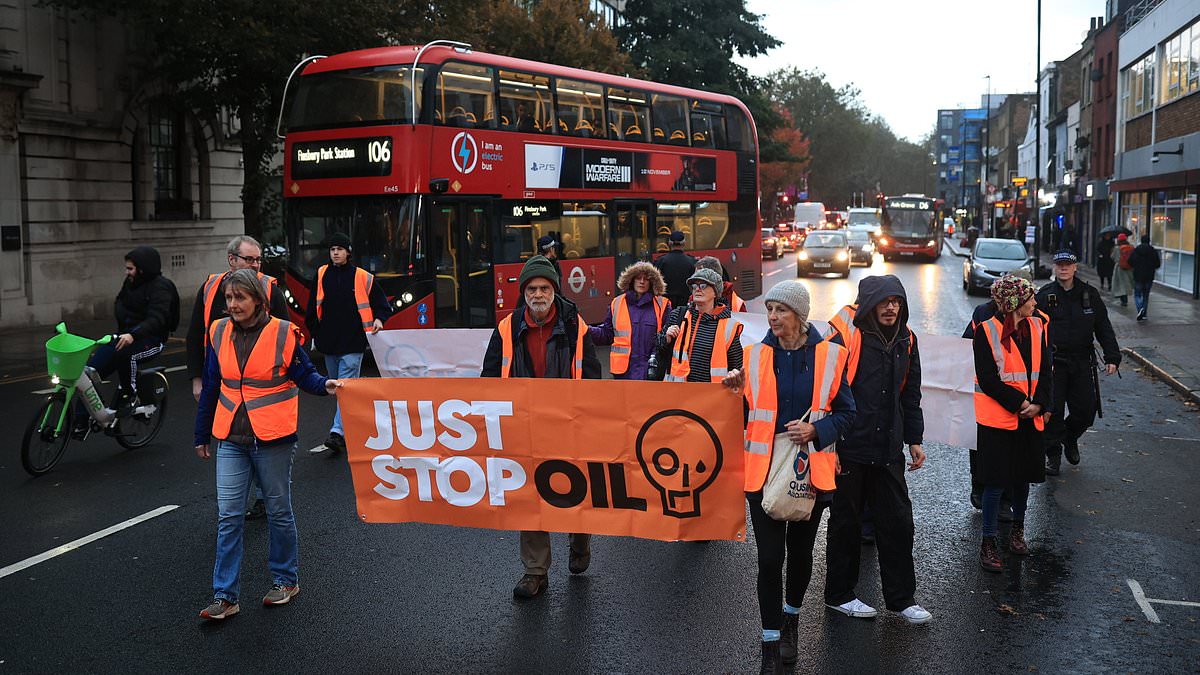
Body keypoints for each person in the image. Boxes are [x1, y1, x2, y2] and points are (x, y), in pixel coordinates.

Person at [721, 280, 855, 673]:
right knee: (768, 559)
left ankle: (791, 619)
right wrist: (732, 387)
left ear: (799, 314)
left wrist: (818, 431)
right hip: (762, 470)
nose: (773, 317)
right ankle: (769, 642)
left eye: (781, 310)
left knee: (799, 554)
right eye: (770, 310)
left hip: (809, 470)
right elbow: (741, 404)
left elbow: (849, 413)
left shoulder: (831, 355)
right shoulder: (755, 354)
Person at [194, 269, 341, 620]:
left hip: (272, 438)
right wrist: (201, 434)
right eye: (228, 298)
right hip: (230, 437)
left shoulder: (282, 333)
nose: (232, 305)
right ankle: (225, 597)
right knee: (229, 516)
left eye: (240, 298)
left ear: (258, 301)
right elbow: (212, 386)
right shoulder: (218, 332)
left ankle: (285, 580)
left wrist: (326, 386)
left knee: (278, 511)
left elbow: (303, 374)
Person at [480, 255, 601, 599]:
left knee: (575, 491)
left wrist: (588, 417)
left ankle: (579, 544)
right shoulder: (507, 327)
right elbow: (489, 377)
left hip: (569, 423)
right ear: (524, 292)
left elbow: (591, 374)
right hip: (524, 426)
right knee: (530, 497)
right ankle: (535, 571)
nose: (537, 294)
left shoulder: (575, 325)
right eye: (531, 288)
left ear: (554, 290)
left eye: (544, 288)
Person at [821, 275, 930, 625]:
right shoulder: (845, 333)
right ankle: (840, 595)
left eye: (896, 301)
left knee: (898, 524)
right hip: (849, 447)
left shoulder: (907, 339)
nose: (891, 308)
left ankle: (901, 600)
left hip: (887, 450)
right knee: (845, 525)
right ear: (869, 303)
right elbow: (825, 390)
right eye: (884, 302)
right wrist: (829, 446)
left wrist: (914, 439)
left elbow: (910, 394)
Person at [186, 235, 290, 520]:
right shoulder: (209, 289)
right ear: (232, 260)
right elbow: (195, 334)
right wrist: (197, 378)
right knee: (232, 436)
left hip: (262, 386)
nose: (256, 265)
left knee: (259, 438)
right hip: (222, 378)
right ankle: (235, 503)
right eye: (250, 259)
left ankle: (263, 497)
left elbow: (289, 339)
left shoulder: (270, 289)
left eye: (258, 259)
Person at [973, 274, 1051, 572]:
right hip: (998, 419)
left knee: (1022, 478)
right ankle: (989, 541)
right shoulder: (986, 331)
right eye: (1030, 297)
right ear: (1015, 302)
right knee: (995, 482)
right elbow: (988, 379)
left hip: (1030, 418)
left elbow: (1046, 370)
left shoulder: (1038, 325)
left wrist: (1041, 404)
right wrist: (1021, 404)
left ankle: (1018, 530)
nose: (1035, 302)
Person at [305, 232, 392, 454]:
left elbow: (382, 304)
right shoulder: (322, 273)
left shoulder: (362, 276)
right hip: (329, 343)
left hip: (353, 342)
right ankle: (349, 427)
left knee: (344, 388)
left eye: (340, 249)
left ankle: (337, 432)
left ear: (348, 252)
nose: (335, 253)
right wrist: (316, 333)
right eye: (333, 249)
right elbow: (311, 308)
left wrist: (380, 320)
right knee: (337, 388)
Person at [1035, 250, 1120, 475]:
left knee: (1086, 410)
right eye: (1059, 264)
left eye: (1068, 265)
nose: (1063, 268)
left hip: (1082, 361)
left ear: (1075, 268)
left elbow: (1103, 326)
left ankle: (1069, 437)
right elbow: (1033, 330)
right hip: (1053, 362)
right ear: (1054, 267)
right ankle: (1052, 455)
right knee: (1051, 411)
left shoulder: (1089, 294)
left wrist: (1112, 356)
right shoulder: (1045, 296)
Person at [80, 246, 177, 425]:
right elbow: (121, 303)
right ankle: (81, 419)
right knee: (88, 373)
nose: (127, 272)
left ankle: (129, 397)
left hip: (152, 340)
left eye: (130, 268)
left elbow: (157, 317)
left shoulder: (161, 287)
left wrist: (134, 334)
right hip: (125, 336)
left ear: (143, 269)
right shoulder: (130, 283)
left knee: (126, 355)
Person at [659, 268, 744, 384]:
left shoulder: (728, 326)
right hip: (677, 394)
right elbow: (659, 350)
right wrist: (666, 339)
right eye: (694, 286)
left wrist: (733, 375)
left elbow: (736, 367)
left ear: (715, 292)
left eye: (703, 285)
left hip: (710, 396)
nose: (697, 289)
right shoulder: (678, 315)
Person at [588, 261, 670, 380]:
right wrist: (585, 329)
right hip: (624, 374)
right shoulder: (617, 303)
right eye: (638, 278)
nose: (642, 281)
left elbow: (666, 339)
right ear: (631, 280)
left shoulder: (663, 305)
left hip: (652, 372)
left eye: (646, 279)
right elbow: (606, 334)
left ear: (652, 282)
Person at [654, 230, 697, 310]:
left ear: (670, 243)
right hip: (686, 305)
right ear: (684, 243)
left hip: (665, 305)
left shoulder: (661, 261)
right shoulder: (692, 261)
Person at [1129, 234, 1161, 321]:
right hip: (1149, 276)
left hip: (1138, 276)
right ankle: (1144, 313)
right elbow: (1157, 264)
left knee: (1137, 294)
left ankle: (1140, 308)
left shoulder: (1136, 250)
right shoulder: (1153, 251)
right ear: (1149, 241)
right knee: (1146, 295)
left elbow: (1130, 262)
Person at [1111, 233, 1135, 307]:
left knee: (1120, 284)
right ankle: (1124, 299)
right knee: (1126, 284)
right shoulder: (1131, 247)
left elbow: (1113, 257)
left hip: (1119, 268)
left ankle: (1123, 300)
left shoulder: (1117, 248)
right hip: (1129, 268)